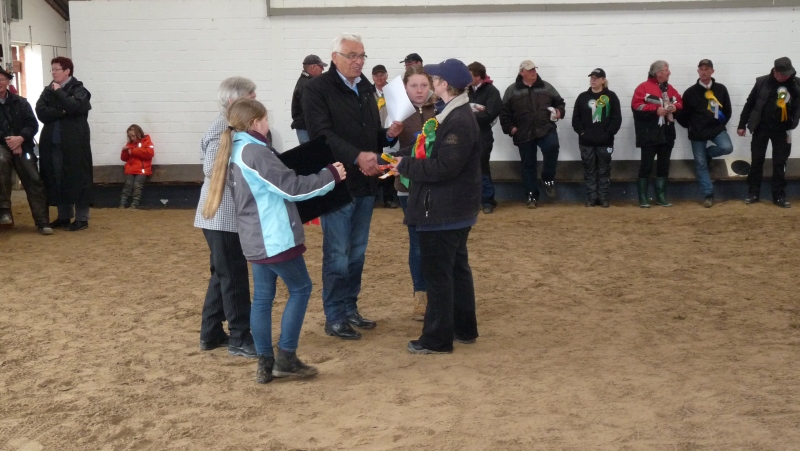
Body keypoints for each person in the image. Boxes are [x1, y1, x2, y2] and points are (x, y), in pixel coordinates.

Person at [203, 98, 346, 384]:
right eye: (266, 119)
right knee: (301, 288)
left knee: (263, 298)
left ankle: (265, 362)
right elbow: (291, 188)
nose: (268, 124)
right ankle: (286, 357)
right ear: (256, 122)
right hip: (273, 236)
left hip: (256, 236)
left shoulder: (238, 149)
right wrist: (330, 175)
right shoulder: (255, 151)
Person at [303, 33, 403, 340]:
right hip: (337, 182)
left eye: (362, 56)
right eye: (352, 56)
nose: (358, 61)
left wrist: (388, 135)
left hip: (366, 183)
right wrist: (357, 156)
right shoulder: (317, 89)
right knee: (337, 253)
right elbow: (321, 135)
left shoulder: (366, 88)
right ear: (334, 58)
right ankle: (334, 315)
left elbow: (370, 134)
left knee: (357, 252)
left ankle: (349, 308)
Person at [390, 58, 480, 354]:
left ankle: (437, 339)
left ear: (444, 84)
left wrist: (405, 166)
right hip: (453, 208)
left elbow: (445, 167)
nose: (431, 82)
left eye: (435, 78)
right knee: (456, 270)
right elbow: (429, 149)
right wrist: (400, 158)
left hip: (442, 209)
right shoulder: (453, 113)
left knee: (438, 275)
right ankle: (464, 328)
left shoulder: (457, 120)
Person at [193, 77, 258, 358]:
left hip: (219, 215)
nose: (256, 102)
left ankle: (210, 333)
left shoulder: (229, 126)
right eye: (251, 98)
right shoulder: (223, 128)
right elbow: (210, 167)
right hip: (222, 216)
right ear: (234, 101)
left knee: (222, 275)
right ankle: (240, 337)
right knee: (233, 277)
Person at [395, 65, 437, 321]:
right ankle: (420, 293)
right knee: (417, 241)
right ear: (405, 88)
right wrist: (390, 135)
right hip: (407, 186)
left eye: (424, 85)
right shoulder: (396, 113)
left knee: (438, 240)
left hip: (436, 184)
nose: (419, 90)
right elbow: (385, 146)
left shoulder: (441, 110)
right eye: (414, 86)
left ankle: (438, 292)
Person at [36, 56, 93, 232]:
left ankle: (82, 218)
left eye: (56, 69)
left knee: (78, 179)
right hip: (52, 143)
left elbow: (74, 107)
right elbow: (40, 112)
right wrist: (61, 112)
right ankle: (64, 216)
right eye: (52, 69)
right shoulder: (48, 90)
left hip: (75, 145)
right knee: (57, 177)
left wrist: (60, 93)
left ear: (67, 71)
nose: (53, 73)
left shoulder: (79, 90)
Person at [499, 60, 566, 208]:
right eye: (529, 70)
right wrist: (511, 128)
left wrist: (559, 112)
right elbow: (504, 113)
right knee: (528, 164)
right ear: (521, 72)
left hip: (546, 128)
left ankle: (548, 178)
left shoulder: (547, 87)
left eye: (534, 69)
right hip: (523, 132)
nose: (533, 72)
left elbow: (560, 103)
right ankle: (531, 195)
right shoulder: (511, 91)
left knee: (552, 147)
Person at [737, 57, 800, 208]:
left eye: (788, 73)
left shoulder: (795, 83)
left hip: (782, 130)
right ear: (775, 71)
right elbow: (750, 103)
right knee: (757, 161)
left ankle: (779, 196)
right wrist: (742, 124)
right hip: (761, 128)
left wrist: (793, 85)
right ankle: (753, 194)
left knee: (780, 163)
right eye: (783, 74)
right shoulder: (761, 82)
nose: (786, 76)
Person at [0, 67, 51, 235]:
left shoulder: (21, 102)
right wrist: (10, 141)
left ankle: (42, 221)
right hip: (2, 145)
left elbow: (32, 124)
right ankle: (4, 211)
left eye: (2, 79)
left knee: (33, 177)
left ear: (8, 81)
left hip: (23, 146)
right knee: (1, 161)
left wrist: (21, 138)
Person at [676, 59, 733, 208]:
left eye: (707, 69)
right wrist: (691, 126)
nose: (704, 72)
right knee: (700, 164)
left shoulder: (721, 89)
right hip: (697, 132)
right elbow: (682, 115)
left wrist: (720, 125)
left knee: (727, 147)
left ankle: (708, 154)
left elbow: (727, 110)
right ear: (698, 71)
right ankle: (708, 194)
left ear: (712, 71)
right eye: (701, 69)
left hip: (716, 129)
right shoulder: (690, 92)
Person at [631, 60, 683, 208]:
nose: (669, 72)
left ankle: (661, 196)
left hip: (667, 133)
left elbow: (680, 101)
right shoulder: (643, 88)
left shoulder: (670, 89)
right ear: (659, 73)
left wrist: (675, 107)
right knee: (646, 165)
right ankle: (643, 198)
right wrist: (655, 110)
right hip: (649, 134)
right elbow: (636, 106)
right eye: (667, 70)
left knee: (664, 165)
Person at [571, 68, 622, 207]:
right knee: (589, 169)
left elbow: (616, 118)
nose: (593, 80)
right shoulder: (582, 97)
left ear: (603, 80)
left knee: (604, 169)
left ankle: (603, 197)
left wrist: (608, 133)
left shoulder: (611, 97)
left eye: (596, 78)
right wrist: (582, 133)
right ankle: (591, 197)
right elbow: (576, 119)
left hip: (605, 141)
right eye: (591, 78)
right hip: (586, 142)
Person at [467, 61, 502, 213]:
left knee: (482, 166)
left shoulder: (492, 91)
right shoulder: (465, 90)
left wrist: (468, 116)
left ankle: (487, 200)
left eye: (470, 76)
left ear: (478, 76)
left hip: (483, 135)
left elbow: (490, 114)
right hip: (466, 135)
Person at [372, 64, 398, 208]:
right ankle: (374, 197)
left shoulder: (394, 91)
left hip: (391, 133)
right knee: (374, 164)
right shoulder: (368, 92)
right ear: (373, 77)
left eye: (382, 74)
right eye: (376, 75)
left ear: (387, 75)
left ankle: (388, 198)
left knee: (389, 163)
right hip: (374, 132)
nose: (379, 77)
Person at [291, 54, 327, 144]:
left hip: (305, 127)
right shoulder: (308, 85)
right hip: (306, 128)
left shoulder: (305, 82)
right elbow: (311, 109)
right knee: (311, 152)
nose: (323, 69)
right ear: (312, 67)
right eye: (320, 66)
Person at [119, 124, 154, 209]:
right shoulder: (130, 144)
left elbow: (149, 153)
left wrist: (134, 151)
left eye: (133, 136)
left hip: (142, 170)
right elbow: (124, 159)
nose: (132, 138)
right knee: (128, 185)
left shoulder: (147, 142)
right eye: (130, 137)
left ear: (139, 133)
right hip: (130, 170)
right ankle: (122, 203)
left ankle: (134, 204)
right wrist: (124, 151)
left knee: (137, 185)